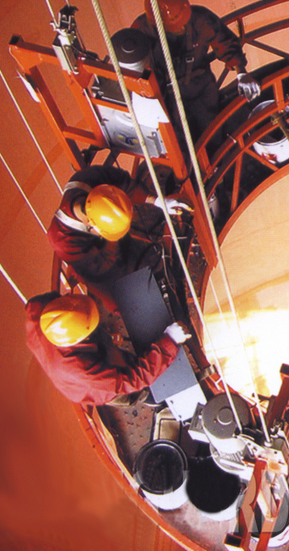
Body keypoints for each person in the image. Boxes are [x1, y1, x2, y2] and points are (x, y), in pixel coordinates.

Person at [132, 0, 260, 139]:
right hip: (168, 95)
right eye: (176, 25)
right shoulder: (141, 33)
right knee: (179, 138)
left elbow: (225, 42)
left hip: (200, 86)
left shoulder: (201, 19)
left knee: (212, 130)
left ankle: (216, 149)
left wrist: (241, 72)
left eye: (184, 22)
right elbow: (137, 71)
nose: (182, 27)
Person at [25, 292, 190, 406]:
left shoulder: (41, 308)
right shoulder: (83, 371)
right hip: (94, 387)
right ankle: (151, 398)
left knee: (120, 357)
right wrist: (169, 341)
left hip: (81, 355)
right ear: (81, 338)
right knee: (132, 389)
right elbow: (131, 379)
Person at [47, 165, 189, 290]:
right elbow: (104, 271)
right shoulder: (64, 243)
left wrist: (158, 201)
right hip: (100, 264)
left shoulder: (89, 178)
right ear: (90, 225)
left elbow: (127, 185)